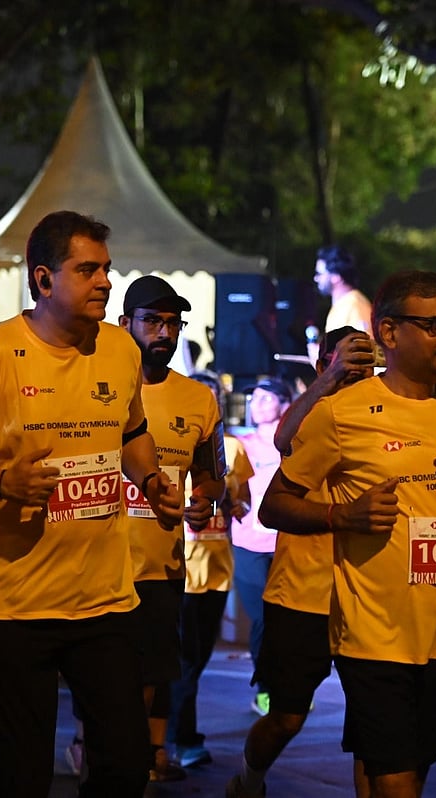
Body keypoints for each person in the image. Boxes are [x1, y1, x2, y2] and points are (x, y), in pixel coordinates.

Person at [0, 210, 183, 798]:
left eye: (107, 270)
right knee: (24, 778)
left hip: (104, 600)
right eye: (87, 269)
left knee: (124, 764)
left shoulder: (120, 349)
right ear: (43, 280)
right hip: (14, 606)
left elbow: (131, 432)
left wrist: (151, 483)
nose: (104, 282)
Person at [258, 270, 436, 798]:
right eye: (434, 326)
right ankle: (250, 775)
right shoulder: (342, 412)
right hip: (372, 635)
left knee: (410, 774)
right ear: (389, 333)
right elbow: (274, 505)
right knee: (393, 777)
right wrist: (341, 517)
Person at [227, 326, 375, 798]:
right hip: (302, 594)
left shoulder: (382, 415)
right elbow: (284, 440)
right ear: (323, 366)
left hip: (367, 596)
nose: (357, 374)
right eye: (346, 364)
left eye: (364, 365)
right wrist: (329, 380)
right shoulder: (309, 413)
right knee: (287, 718)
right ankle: (249, 780)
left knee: (374, 725)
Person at [116, 275, 225, 782]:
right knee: (110, 679)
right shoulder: (102, 390)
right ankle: (116, 754)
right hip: (97, 562)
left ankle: (148, 754)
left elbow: (211, 477)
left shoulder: (199, 399)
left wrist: (202, 500)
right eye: (153, 321)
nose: (164, 332)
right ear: (125, 325)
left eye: (173, 323)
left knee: (158, 668)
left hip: (163, 563)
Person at [168, 371, 253, 769]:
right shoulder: (170, 440)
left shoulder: (232, 449)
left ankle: (172, 736)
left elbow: (243, 500)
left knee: (197, 662)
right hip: (179, 570)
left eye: (215, 395)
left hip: (218, 570)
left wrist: (234, 504)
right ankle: (180, 740)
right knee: (182, 662)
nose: (209, 402)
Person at [231, 377, 291, 716]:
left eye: (266, 398)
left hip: (287, 542)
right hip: (249, 544)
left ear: (284, 403)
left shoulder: (294, 444)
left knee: (286, 619)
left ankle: (287, 687)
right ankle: (266, 689)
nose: (256, 404)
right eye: (253, 398)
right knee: (263, 618)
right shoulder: (242, 444)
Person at [315, 245, 373, 334]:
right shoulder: (342, 305)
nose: (316, 278)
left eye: (319, 274)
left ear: (336, 276)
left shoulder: (354, 306)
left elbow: (364, 346)